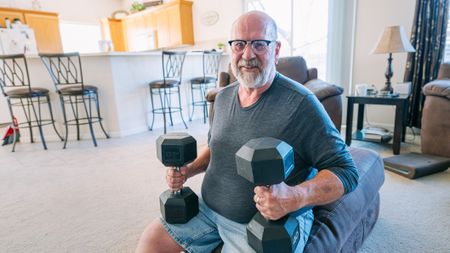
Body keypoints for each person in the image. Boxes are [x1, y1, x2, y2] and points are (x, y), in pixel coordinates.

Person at [136, 11, 358, 253]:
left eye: (259, 44)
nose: (248, 54)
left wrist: (294, 196)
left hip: (264, 225)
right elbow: (215, 148)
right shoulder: (222, 98)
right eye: (239, 44)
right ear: (231, 49)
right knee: (150, 243)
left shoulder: (302, 104)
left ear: (276, 50)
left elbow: (346, 171)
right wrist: (189, 170)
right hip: (206, 211)